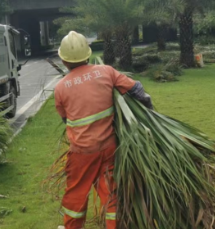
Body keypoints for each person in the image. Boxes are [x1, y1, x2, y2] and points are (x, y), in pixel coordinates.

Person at [54, 31, 153, 229]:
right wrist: (149, 111)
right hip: (109, 147)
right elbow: (137, 90)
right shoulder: (106, 71)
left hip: (82, 152)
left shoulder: (61, 88)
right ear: (88, 55)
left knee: (76, 194)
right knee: (110, 192)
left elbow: (66, 119)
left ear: (64, 61)